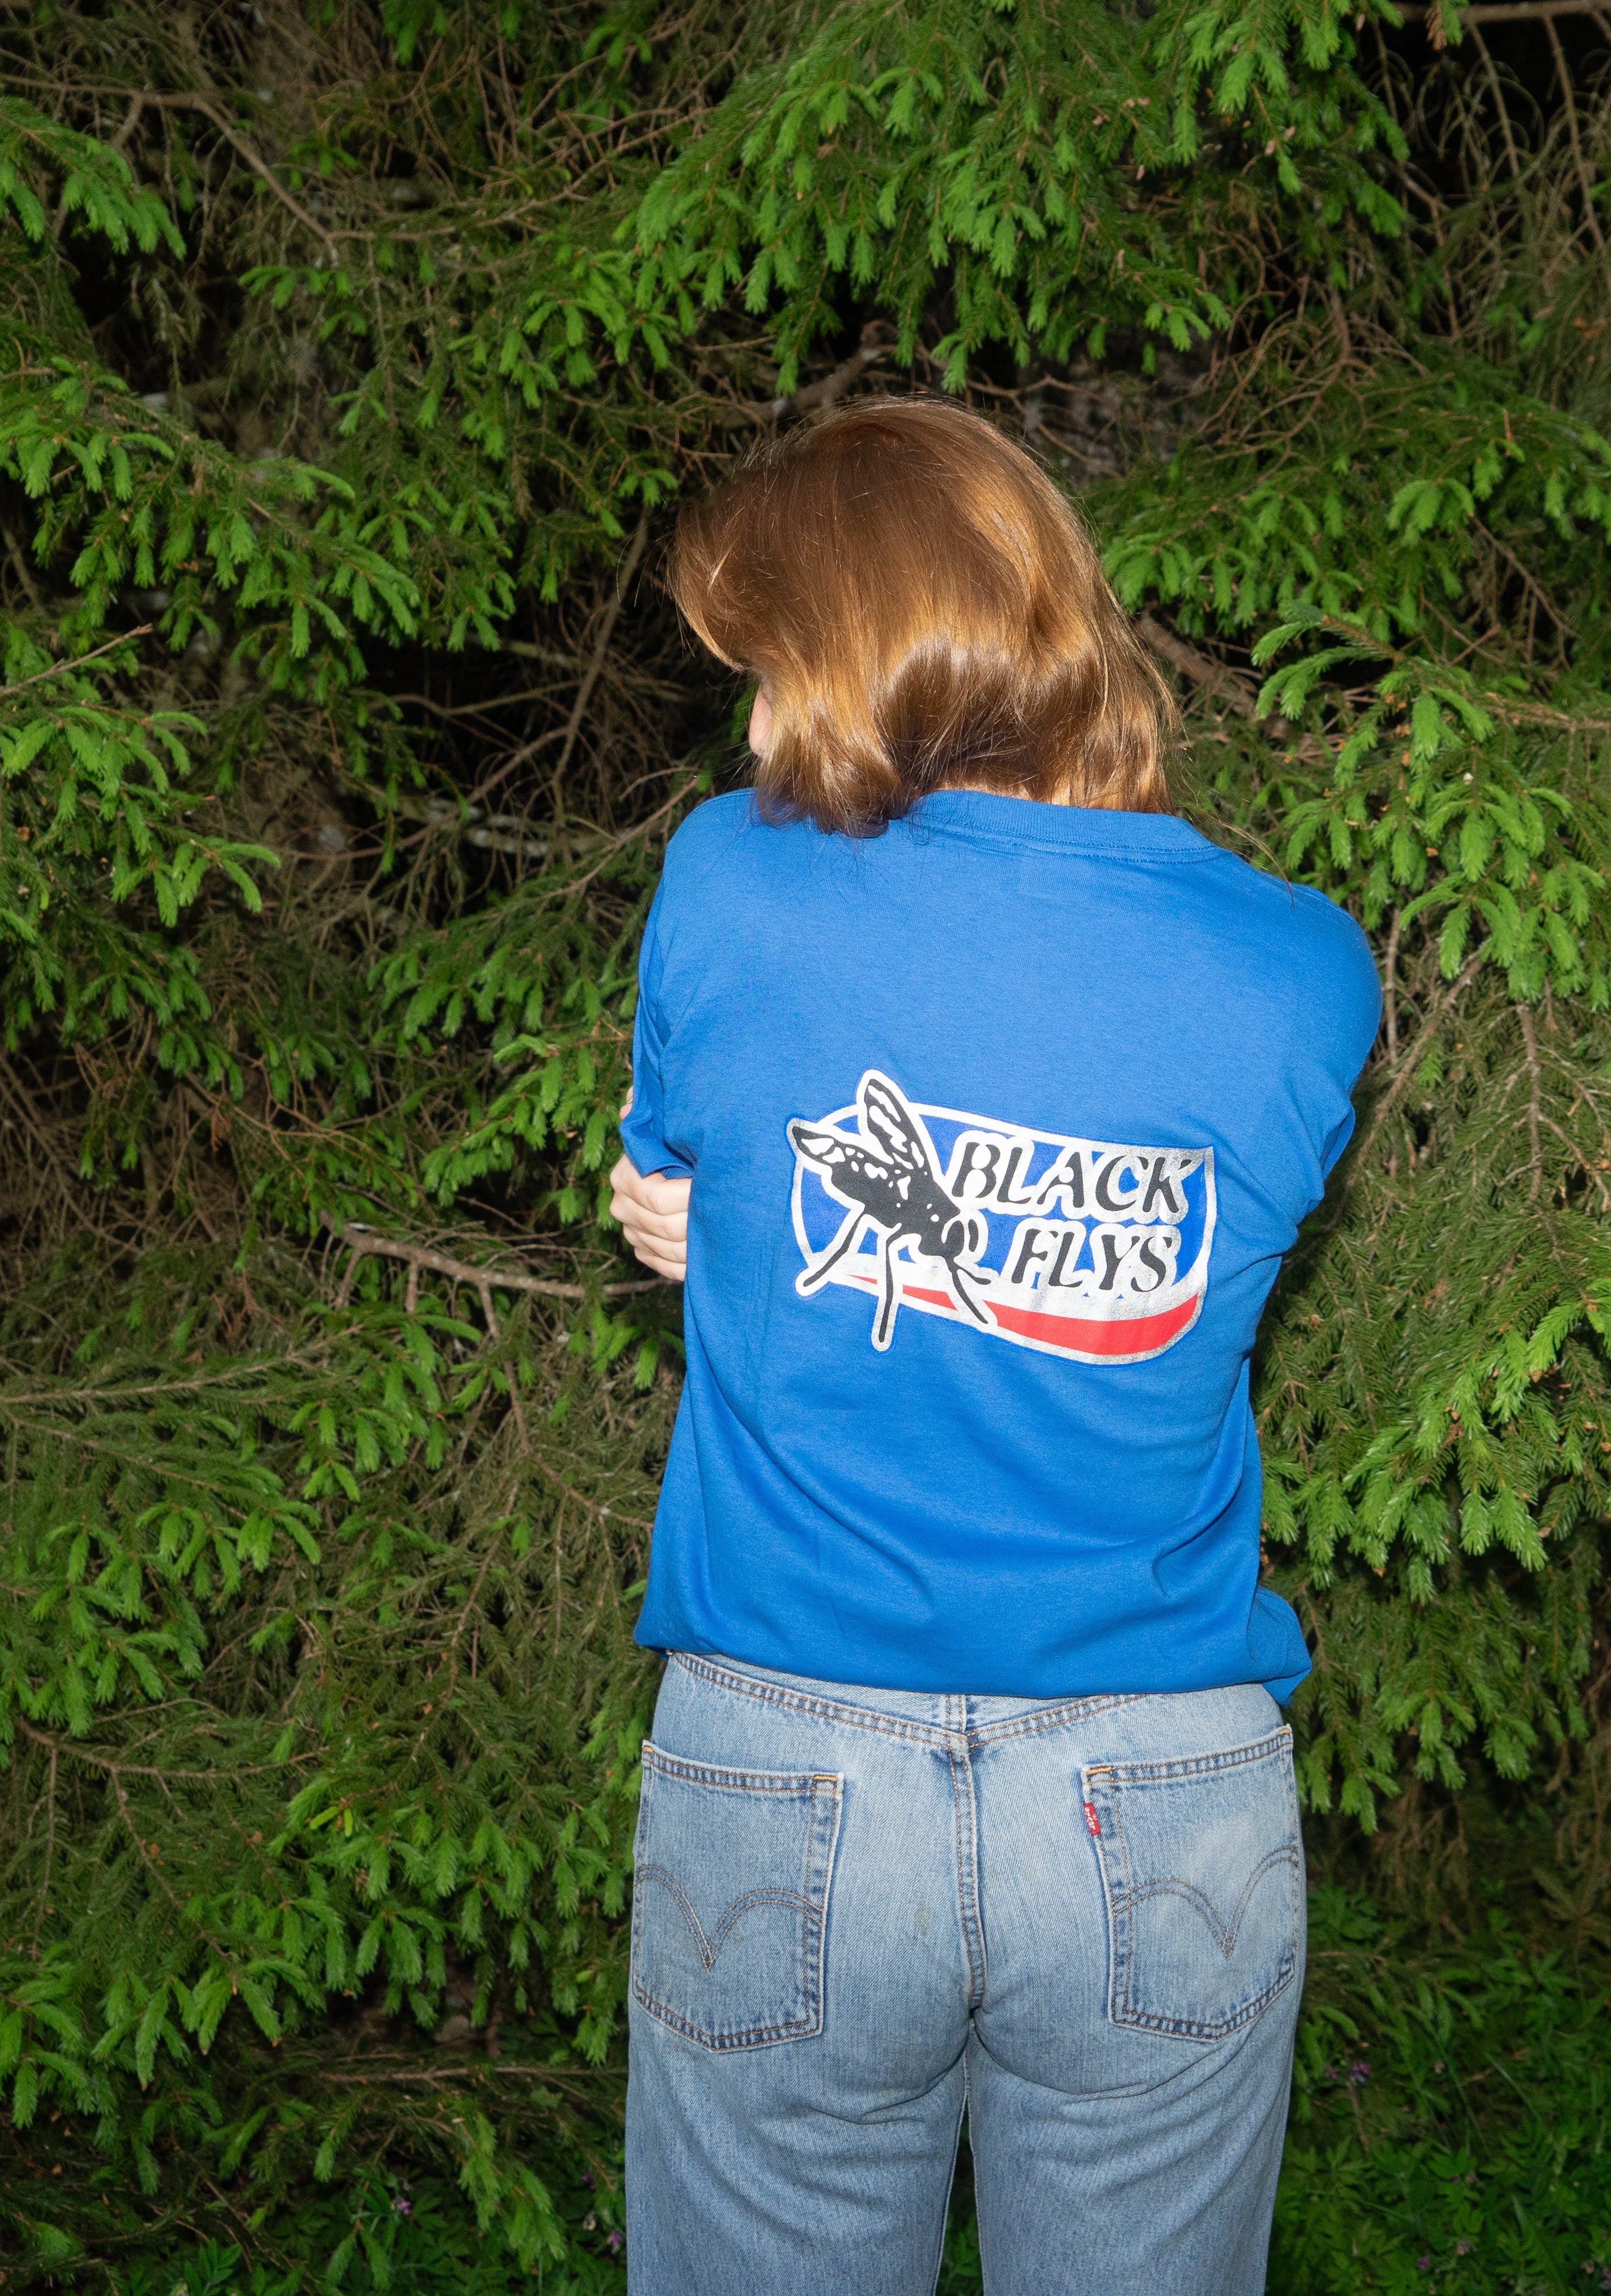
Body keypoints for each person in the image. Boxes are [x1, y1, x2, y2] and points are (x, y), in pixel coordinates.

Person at [606, 397, 1378, 2296]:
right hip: (1158, 1799)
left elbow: (680, 1192)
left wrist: (725, 1236)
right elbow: (1174, 1304)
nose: (763, 726)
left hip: (788, 1772)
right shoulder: (1305, 970)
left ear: (871, 649)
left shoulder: (732, 877)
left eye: (776, 668)